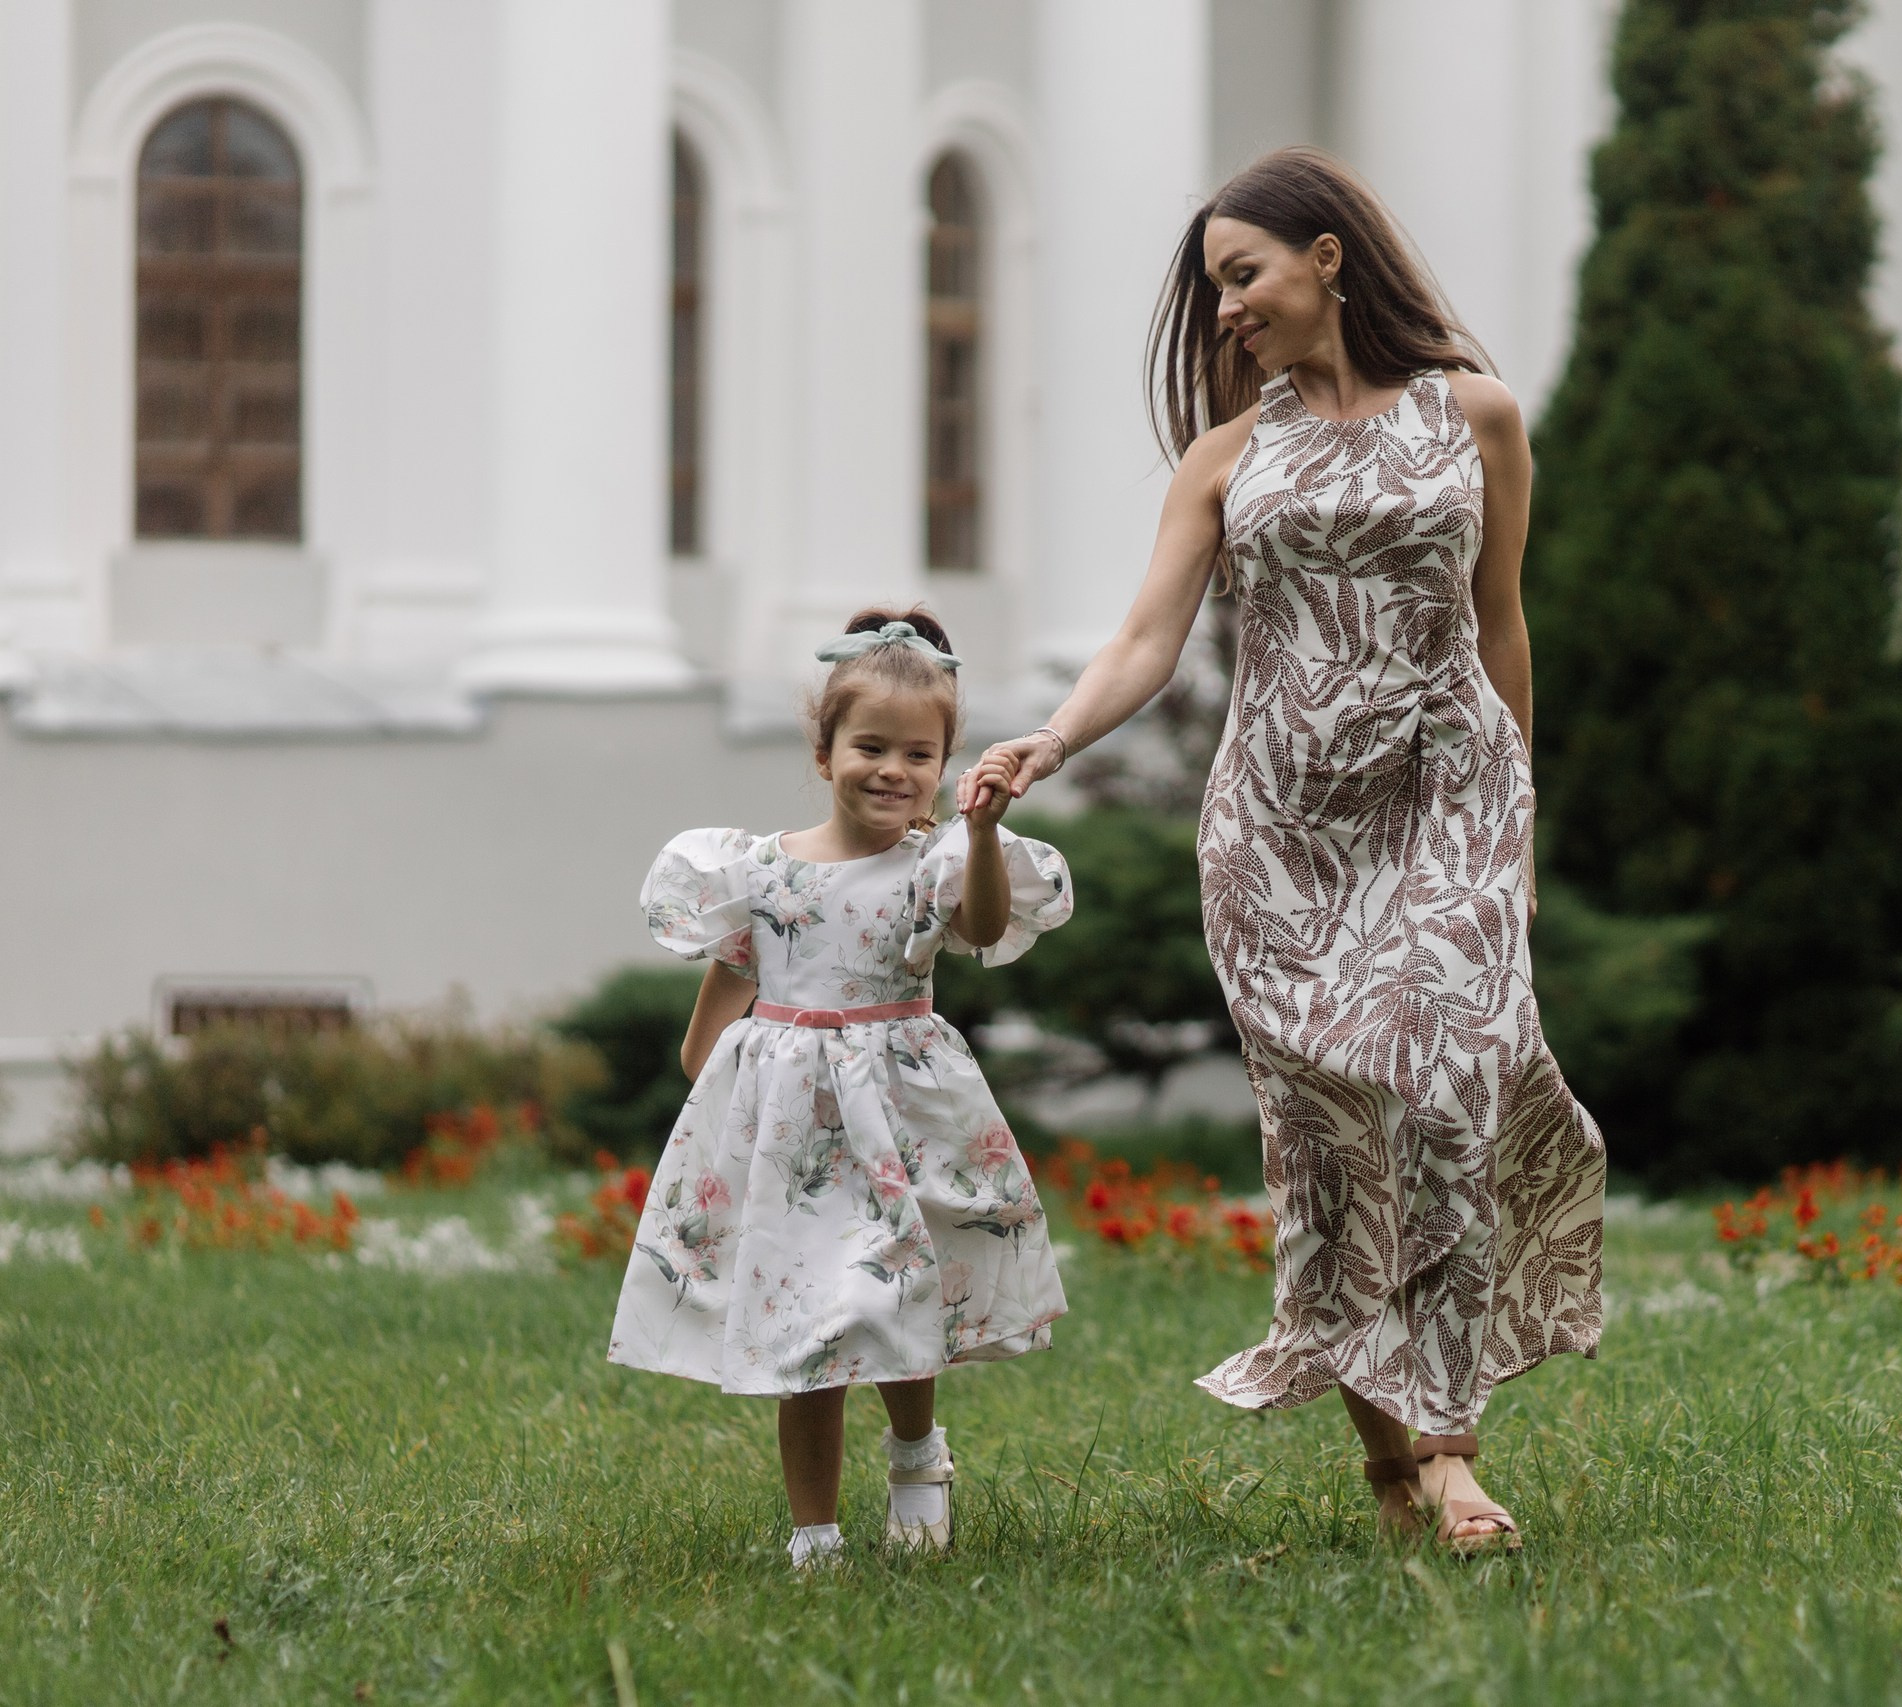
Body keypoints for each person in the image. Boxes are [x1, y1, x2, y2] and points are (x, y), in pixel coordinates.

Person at [962, 148, 1606, 1554]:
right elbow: (1147, 638)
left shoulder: (1478, 416)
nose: (1228, 308)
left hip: (1446, 793)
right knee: (1328, 1138)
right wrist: (1049, 744)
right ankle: (1396, 1456)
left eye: (1243, 274)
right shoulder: (1230, 455)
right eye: (1214, 289)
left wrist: (1519, 819)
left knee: (1444, 1081)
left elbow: (1503, 622)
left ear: (1327, 256)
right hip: (1280, 829)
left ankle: (1448, 1443)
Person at [610, 607, 1073, 1568]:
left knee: (897, 1301)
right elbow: (722, 1010)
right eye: (869, 745)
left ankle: (916, 1457)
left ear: (945, 766)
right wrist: (716, 1096)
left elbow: (983, 931)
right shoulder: (764, 872)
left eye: (919, 753)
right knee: (803, 1326)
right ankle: (813, 1533)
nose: (892, 769)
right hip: (794, 1143)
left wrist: (984, 834)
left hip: (897, 1123)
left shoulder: (934, 864)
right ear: (824, 752)